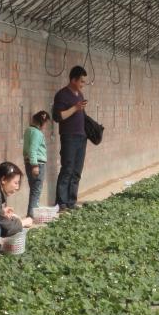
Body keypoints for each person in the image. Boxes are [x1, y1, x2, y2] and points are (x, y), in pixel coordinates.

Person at [52, 65, 89, 211]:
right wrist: (75, 108)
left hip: (81, 137)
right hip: (69, 137)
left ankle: (71, 202)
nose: (83, 84)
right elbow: (58, 117)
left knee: (77, 171)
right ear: (73, 80)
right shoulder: (62, 95)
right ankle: (61, 203)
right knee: (67, 169)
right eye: (81, 81)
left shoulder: (80, 95)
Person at [22, 111, 51, 217]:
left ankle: (31, 212)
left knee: (34, 189)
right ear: (42, 123)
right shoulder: (37, 133)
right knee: (36, 190)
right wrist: (35, 165)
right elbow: (32, 149)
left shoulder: (28, 130)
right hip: (37, 163)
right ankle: (32, 214)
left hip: (28, 162)